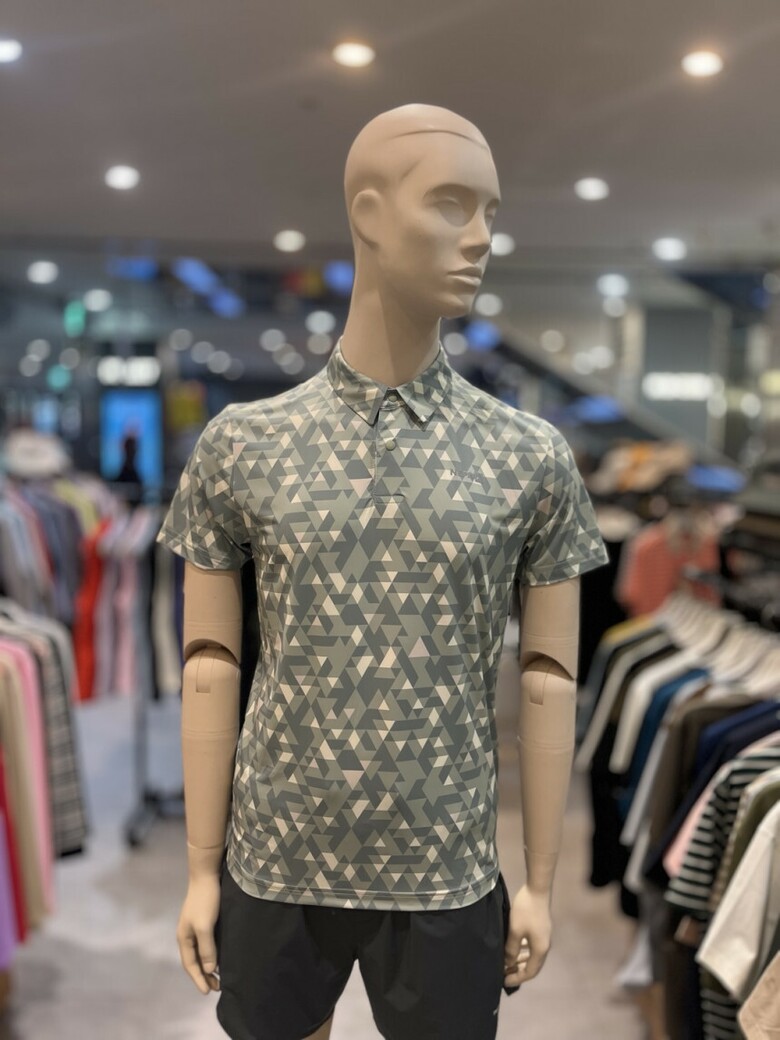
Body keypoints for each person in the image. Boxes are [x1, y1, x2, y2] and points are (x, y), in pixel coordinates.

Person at [157, 103, 609, 1040]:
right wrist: (201, 871)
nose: (480, 238)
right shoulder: (244, 445)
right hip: (277, 853)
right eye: (451, 204)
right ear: (367, 213)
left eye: (490, 212)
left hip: (447, 861)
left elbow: (548, 674)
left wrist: (538, 882)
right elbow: (209, 661)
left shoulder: (528, 457)